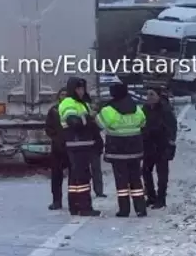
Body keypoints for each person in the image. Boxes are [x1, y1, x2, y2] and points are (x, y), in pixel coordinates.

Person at [96, 82, 148, 217]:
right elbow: (143, 122)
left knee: (121, 182)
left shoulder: (108, 110)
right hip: (135, 150)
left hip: (117, 150)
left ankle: (124, 210)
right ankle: (141, 209)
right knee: (136, 180)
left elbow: (99, 124)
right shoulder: (136, 108)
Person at [58, 77, 101, 216]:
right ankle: (84, 207)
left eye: (82, 88)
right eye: (78, 88)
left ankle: (75, 206)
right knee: (82, 178)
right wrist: (89, 118)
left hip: (83, 145)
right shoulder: (68, 103)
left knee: (76, 179)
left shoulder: (82, 103)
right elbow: (73, 122)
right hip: (76, 144)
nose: (81, 91)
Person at [142, 88, 177, 209]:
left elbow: (172, 126)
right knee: (146, 171)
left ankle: (161, 198)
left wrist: (170, 141)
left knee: (162, 174)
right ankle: (151, 196)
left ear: (158, 96)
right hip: (148, 145)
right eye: (147, 94)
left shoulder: (164, 109)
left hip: (161, 146)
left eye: (152, 94)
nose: (149, 97)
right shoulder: (145, 109)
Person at [45, 88, 68, 210]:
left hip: (71, 147)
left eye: (66, 94)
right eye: (62, 94)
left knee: (75, 177)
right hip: (58, 148)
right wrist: (56, 139)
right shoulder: (54, 110)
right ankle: (56, 201)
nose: (63, 96)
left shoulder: (73, 108)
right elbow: (49, 128)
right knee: (56, 177)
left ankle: (74, 201)